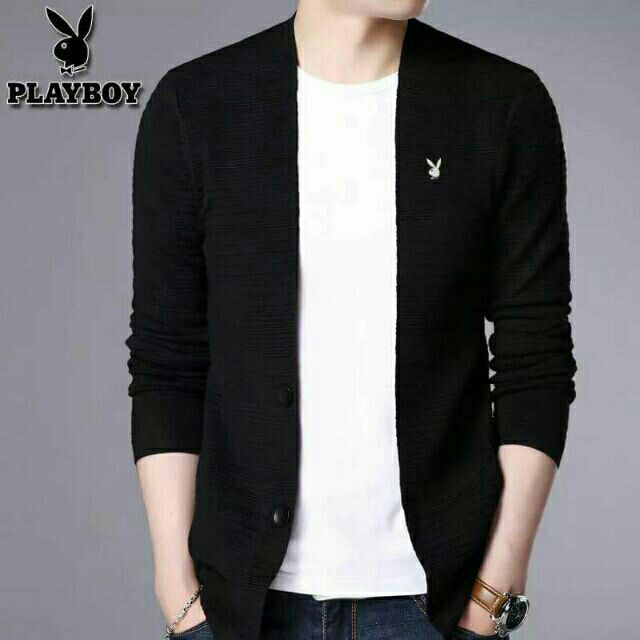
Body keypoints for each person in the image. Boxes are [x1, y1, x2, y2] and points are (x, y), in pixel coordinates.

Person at [125, 0, 577, 638]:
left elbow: (536, 357)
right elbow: (168, 360)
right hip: (241, 608)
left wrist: (495, 588)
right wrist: (176, 587)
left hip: (436, 606)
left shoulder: (501, 104)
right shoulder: (196, 106)